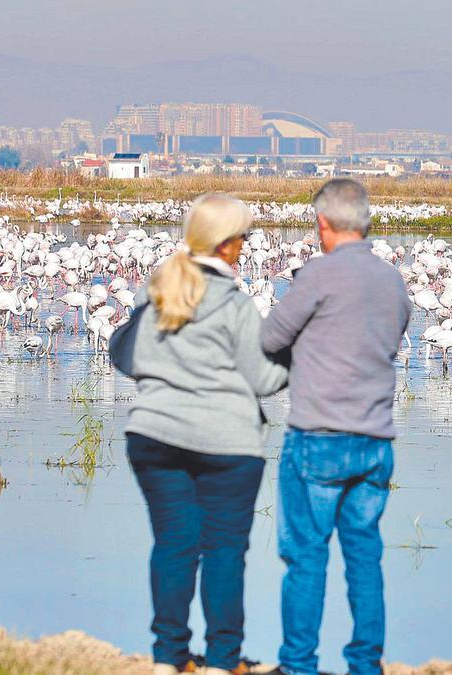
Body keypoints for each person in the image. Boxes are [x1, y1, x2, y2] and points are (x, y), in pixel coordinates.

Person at [110, 193, 287, 675]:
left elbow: (128, 356)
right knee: (224, 550)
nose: (246, 247)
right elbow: (266, 381)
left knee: (173, 545)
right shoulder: (233, 303)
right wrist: (291, 353)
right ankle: (223, 661)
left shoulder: (158, 290)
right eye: (243, 238)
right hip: (227, 444)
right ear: (227, 246)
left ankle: (168, 658)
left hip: (152, 436)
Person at [261, 179, 412, 675]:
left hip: (319, 437)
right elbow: (390, 337)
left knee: (306, 557)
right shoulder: (392, 281)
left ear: (322, 223)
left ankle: (298, 665)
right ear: (364, 222)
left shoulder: (319, 276)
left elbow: (270, 337)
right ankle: (366, 665)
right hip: (375, 441)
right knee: (364, 558)